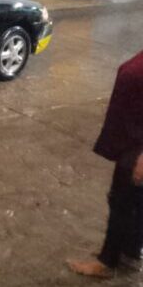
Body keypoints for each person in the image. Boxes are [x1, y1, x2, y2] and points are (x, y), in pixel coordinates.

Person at [68, 49, 143, 278]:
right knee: (135, 201)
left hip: (138, 147)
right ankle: (130, 250)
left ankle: (107, 262)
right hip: (131, 139)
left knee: (122, 200)